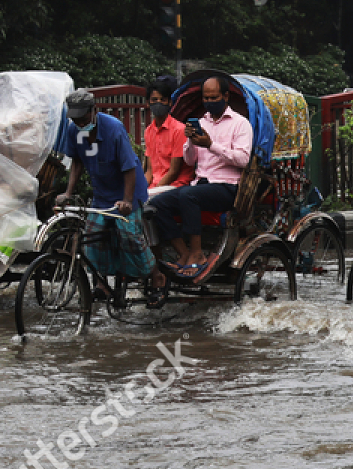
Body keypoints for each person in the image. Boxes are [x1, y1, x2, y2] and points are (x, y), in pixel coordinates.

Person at [55, 90, 161, 301]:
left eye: (83, 118)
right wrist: (68, 192)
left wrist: (128, 201)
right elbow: (77, 161)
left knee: (129, 235)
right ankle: (102, 283)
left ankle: (155, 275)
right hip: (102, 194)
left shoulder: (113, 128)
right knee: (93, 238)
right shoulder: (74, 130)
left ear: (94, 111)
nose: (80, 123)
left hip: (127, 190)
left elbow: (129, 167)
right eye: (75, 119)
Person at [151, 76, 252, 277]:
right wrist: (190, 141)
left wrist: (210, 145)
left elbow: (243, 159)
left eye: (214, 98)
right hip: (200, 185)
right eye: (206, 98)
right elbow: (189, 160)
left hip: (227, 187)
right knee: (157, 204)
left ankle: (197, 254)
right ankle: (184, 253)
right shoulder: (202, 121)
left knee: (188, 195)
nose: (209, 102)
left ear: (225, 96)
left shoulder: (240, 124)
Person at [142, 76, 189, 195]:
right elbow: (149, 171)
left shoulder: (179, 130)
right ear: (148, 103)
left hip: (174, 185)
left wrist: (154, 191)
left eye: (162, 100)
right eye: (154, 99)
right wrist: (141, 189)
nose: (158, 103)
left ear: (170, 103)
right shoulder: (148, 131)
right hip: (156, 186)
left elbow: (173, 172)